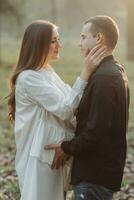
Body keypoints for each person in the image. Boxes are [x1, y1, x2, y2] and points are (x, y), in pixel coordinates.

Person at [8, 20, 107, 200]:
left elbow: (72, 100)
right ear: (38, 44)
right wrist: (86, 72)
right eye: (53, 41)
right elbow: (66, 109)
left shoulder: (47, 71)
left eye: (58, 40)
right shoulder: (29, 78)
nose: (59, 46)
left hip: (54, 156)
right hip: (39, 159)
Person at [45, 16, 130, 200]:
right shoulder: (114, 70)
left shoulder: (105, 78)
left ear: (99, 38)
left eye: (84, 37)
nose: (79, 43)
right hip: (100, 174)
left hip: (95, 177)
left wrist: (66, 147)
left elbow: (95, 134)